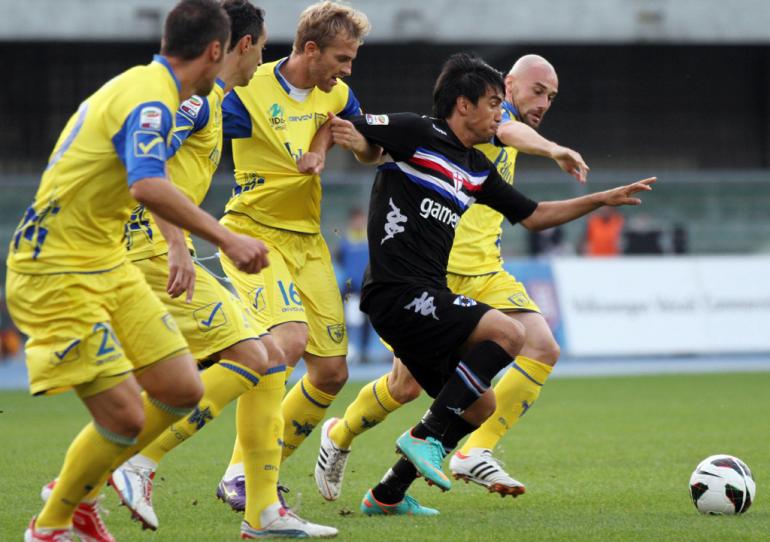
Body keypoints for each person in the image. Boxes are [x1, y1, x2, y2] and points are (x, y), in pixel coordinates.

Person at [319, 52, 654, 515]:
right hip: (396, 292)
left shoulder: (477, 168)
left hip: (436, 293)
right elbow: (352, 129)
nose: (501, 116)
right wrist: (338, 149)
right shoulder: (417, 131)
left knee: (480, 405)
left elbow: (533, 215)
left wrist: (599, 200)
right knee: (507, 335)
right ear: (465, 104)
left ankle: (388, 494)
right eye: (495, 104)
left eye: (503, 106)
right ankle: (414, 436)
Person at [7, 1, 270, 540]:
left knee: (181, 388)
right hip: (57, 268)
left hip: (105, 259)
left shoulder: (152, 89)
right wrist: (225, 238)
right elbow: (148, 183)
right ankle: (52, 525)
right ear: (216, 50)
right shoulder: (152, 99)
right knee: (126, 416)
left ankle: (83, 496)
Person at [86, 2, 334, 538]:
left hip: (150, 252)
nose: (261, 59)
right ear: (241, 46)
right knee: (253, 355)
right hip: (149, 254)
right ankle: (136, 462)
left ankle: (261, 510)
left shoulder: (213, 101)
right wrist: (178, 244)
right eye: (260, 48)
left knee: (266, 356)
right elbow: (146, 168)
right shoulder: (198, 104)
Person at [214, 0, 378, 510]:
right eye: (342, 58)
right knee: (285, 344)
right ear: (310, 49)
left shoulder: (339, 94)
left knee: (331, 373)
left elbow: (370, 150)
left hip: (308, 241)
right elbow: (200, 133)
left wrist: (353, 143)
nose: (348, 70)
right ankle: (242, 474)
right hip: (254, 234)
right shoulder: (248, 88)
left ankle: (255, 472)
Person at [336, 207, 372, 363]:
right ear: (351, 221)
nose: (359, 222)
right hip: (350, 288)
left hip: (368, 286)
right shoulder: (345, 242)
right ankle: (346, 348)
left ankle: (363, 351)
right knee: (347, 318)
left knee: (366, 319)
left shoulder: (370, 239)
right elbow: (340, 260)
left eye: (361, 218)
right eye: (356, 219)